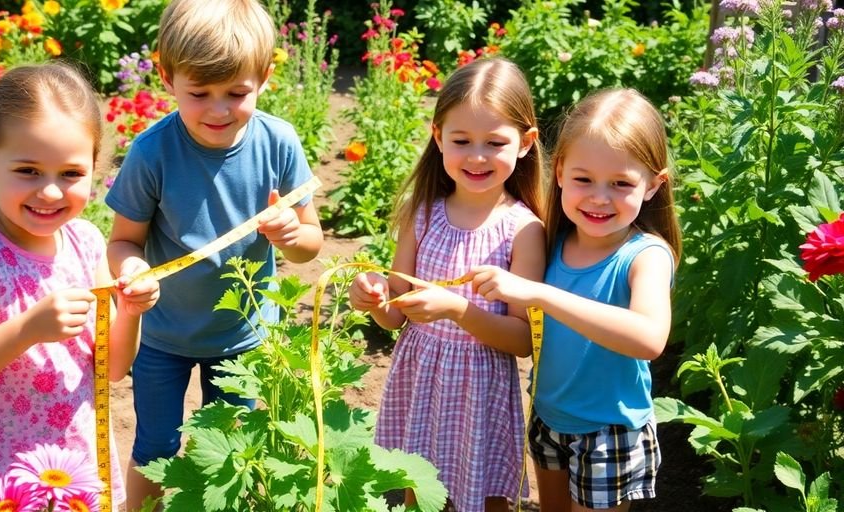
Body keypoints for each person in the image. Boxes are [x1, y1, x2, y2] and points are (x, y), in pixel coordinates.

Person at [104, 0, 324, 506]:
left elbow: (311, 244)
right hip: (160, 335)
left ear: (265, 77)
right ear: (166, 76)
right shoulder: (152, 151)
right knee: (155, 448)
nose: (218, 109)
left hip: (243, 337)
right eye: (198, 93)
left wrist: (292, 234)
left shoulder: (279, 143)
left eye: (237, 92)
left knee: (231, 451)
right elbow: (122, 240)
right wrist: (132, 267)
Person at [0, 63, 160, 512]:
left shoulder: (86, 243)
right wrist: (26, 329)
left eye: (70, 174)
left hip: (76, 474)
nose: (49, 192)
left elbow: (114, 367)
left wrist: (131, 310)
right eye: (28, 170)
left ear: (93, 166)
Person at [349, 58, 546, 512]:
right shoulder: (422, 214)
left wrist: (458, 310)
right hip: (420, 381)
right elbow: (396, 314)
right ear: (438, 137)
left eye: (495, 142)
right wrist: (373, 297)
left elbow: (522, 341)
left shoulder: (523, 229)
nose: (477, 156)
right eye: (461, 141)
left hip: (480, 389)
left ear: (525, 143)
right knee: (421, 492)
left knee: (483, 494)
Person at [470, 88, 681, 512]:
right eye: (583, 179)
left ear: (653, 186)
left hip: (610, 431)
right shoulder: (553, 239)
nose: (599, 197)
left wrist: (542, 295)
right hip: (548, 416)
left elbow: (649, 338)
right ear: (560, 171)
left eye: (621, 183)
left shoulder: (645, 256)